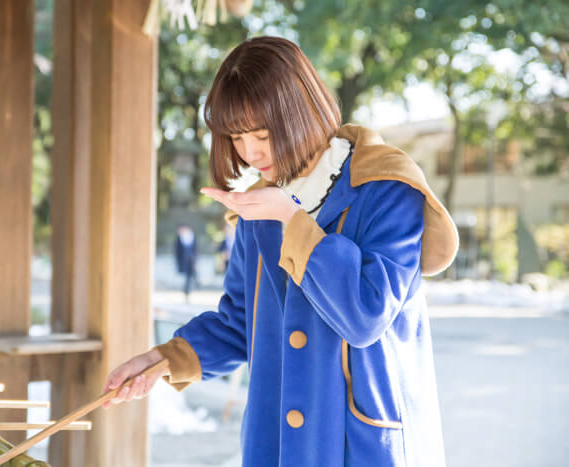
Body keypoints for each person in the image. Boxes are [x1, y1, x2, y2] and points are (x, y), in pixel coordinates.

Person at [103, 36, 458, 467]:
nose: (250, 153)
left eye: (262, 134)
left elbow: (365, 316)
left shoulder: (386, 188)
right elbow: (240, 323)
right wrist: (162, 359)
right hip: (278, 447)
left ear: (301, 113)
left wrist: (291, 221)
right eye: (236, 137)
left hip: (361, 447)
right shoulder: (259, 206)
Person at [174, 223, 198, 300]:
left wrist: (195, 260)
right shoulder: (179, 238)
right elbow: (177, 250)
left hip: (191, 260)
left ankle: (187, 290)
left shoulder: (192, 236)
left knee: (189, 276)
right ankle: (186, 290)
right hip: (183, 260)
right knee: (186, 276)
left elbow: (196, 249)